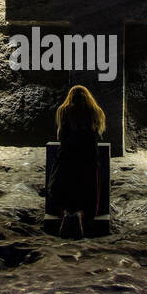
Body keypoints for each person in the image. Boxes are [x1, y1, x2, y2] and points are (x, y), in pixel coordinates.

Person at [49, 85, 105, 238]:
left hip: (67, 157)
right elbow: (97, 134)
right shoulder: (96, 112)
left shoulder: (63, 110)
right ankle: (80, 217)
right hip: (88, 158)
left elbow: (61, 136)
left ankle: (67, 214)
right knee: (86, 191)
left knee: (64, 189)